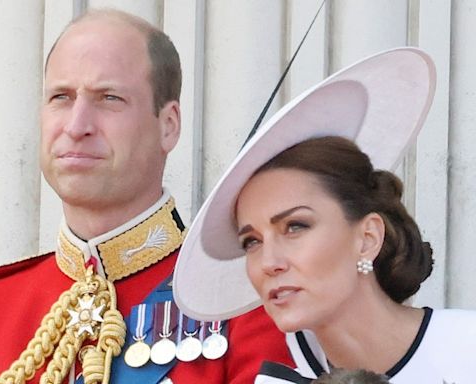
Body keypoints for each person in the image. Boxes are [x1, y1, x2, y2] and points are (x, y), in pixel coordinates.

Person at [0, 9, 293, 384]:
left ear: (168, 126)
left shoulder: (251, 307)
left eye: (109, 98)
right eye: (61, 97)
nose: (76, 126)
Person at [173, 47, 476, 383]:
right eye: (252, 241)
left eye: (295, 226)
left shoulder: (466, 350)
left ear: (367, 238)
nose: (268, 262)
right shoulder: (268, 373)